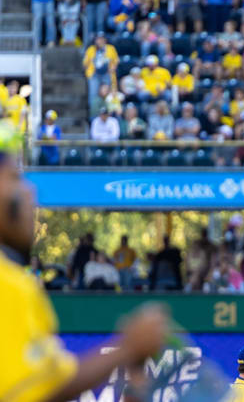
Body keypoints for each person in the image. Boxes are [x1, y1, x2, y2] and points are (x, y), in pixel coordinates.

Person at [0, 121, 170, 401]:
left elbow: (52, 384)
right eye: (14, 178)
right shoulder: (8, 284)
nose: (29, 192)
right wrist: (130, 346)